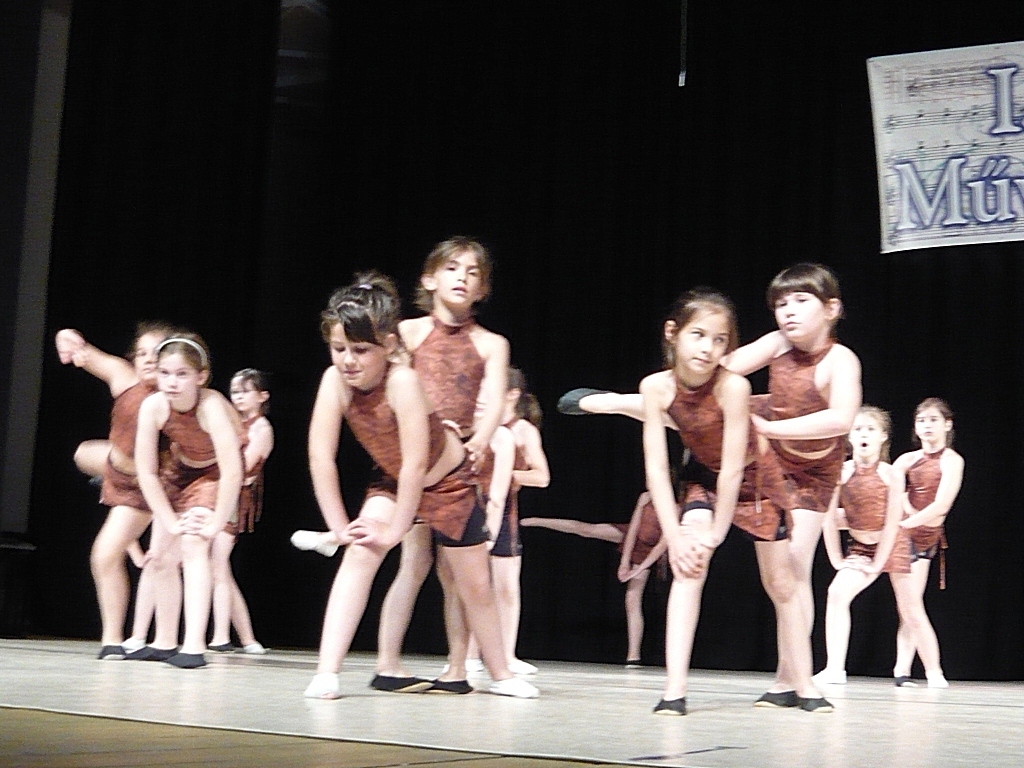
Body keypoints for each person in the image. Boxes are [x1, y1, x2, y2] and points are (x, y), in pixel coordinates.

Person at [302, 272, 537, 699]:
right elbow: (321, 457)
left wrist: (394, 531)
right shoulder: (334, 382)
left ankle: (501, 674)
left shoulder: (402, 382)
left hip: (447, 483)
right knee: (360, 553)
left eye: (361, 350)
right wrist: (339, 527)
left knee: (475, 585)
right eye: (339, 349)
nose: (348, 360)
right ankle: (326, 672)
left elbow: (416, 465)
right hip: (393, 480)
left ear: (389, 346)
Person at [373, 237, 510, 694]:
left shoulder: (491, 343)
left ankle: (457, 668)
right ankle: (387, 663)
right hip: (414, 460)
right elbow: (390, 388)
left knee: (457, 573)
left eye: (472, 272)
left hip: (457, 462)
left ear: (482, 288)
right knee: (412, 561)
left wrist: (480, 441)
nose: (462, 278)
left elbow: (493, 401)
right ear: (430, 279)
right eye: (452, 268)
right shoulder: (409, 333)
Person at [722, 263, 861, 712]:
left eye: (801, 301)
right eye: (781, 304)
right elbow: (723, 371)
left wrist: (766, 428)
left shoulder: (841, 359)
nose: (788, 311)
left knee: (794, 568)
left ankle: (790, 679)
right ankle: (616, 402)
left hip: (813, 469)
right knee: (700, 406)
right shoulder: (778, 342)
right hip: (774, 454)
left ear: (831, 309)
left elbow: (840, 418)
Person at [55, 322, 177, 659]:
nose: (148, 359)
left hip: (143, 488)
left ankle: (121, 641)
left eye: (157, 353)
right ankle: (112, 640)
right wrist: (67, 339)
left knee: (105, 554)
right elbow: (83, 351)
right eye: (142, 353)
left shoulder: (176, 397)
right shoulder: (124, 377)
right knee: (82, 453)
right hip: (114, 466)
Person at [134, 333, 244, 669]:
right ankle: (165, 640)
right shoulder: (153, 406)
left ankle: (194, 644)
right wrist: (168, 522)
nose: (171, 382)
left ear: (201, 376)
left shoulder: (211, 406)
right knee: (161, 556)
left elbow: (232, 470)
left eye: (182, 374)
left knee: (195, 544)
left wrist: (215, 523)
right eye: (165, 373)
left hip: (213, 474)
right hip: (178, 471)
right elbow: (146, 472)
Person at [813, 406, 911, 686]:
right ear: (849, 436)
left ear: (883, 436)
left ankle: (917, 671)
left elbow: (892, 523)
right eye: (858, 429)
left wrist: (879, 563)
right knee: (836, 593)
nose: (863, 434)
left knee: (910, 609)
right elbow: (827, 517)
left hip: (894, 544)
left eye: (870, 429)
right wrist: (836, 559)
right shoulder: (840, 472)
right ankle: (835, 668)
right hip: (860, 549)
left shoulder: (891, 474)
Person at [463, 367, 550, 674]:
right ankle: (470, 655)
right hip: (471, 505)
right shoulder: (477, 425)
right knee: (474, 585)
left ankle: (507, 655)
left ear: (512, 395)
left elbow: (542, 477)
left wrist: (506, 473)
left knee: (506, 587)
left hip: (504, 508)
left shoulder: (522, 430)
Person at [521, 491, 667, 669]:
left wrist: (641, 567)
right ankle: (536, 520)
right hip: (634, 536)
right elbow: (634, 530)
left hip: (651, 547)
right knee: (587, 529)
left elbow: (662, 543)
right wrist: (624, 562)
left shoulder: (675, 506)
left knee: (632, 597)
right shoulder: (645, 497)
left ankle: (634, 655)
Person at [888, 398, 963, 688]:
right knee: (910, 606)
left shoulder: (952, 460)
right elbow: (893, 496)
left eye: (933, 420)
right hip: (904, 536)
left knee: (911, 606)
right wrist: (903, 521)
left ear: (947, 424)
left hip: (925, 535)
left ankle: (905, 670)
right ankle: (924, 671)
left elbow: (942, 505)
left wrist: (908, 520)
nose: (927, 426)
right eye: (921, 421)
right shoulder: (906, 461)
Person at [207, 369, 274, 654]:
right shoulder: (234, 423)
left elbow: (241, 468)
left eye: (246, 391)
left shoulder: (261, 428)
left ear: (262, 396)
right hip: (215, 491)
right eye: (235, 392)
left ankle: (222, 636)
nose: (239, 397)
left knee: (218, 564)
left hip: (233, 496)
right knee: (218, 567)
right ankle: (247, 638)